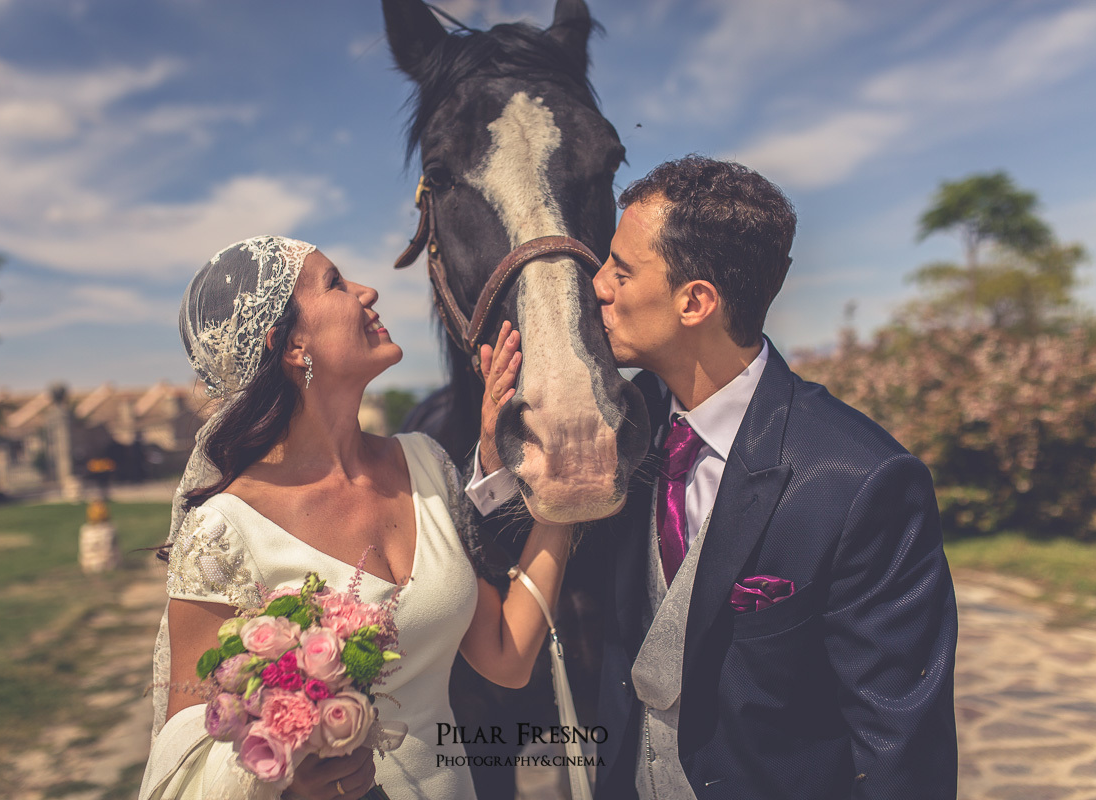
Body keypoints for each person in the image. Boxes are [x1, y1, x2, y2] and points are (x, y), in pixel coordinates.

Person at [470, 156, 958, 798]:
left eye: (620, 269)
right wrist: (495, 461)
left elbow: (902, 746)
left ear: (695, 301)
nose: (597, 287)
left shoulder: (862, 481)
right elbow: (520, 585)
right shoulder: (618, 429)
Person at [139, 235, 570, 800]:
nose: (368, 292)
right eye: (336, 283)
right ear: (293, 345)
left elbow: (505, 656)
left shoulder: (426, 462)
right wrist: (289, 784)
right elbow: (187, 756)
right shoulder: (222, 530)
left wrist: (562, 495)